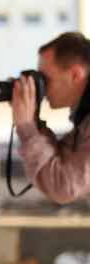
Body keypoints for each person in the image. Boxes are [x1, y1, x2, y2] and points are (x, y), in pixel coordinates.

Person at [14, 32, 90, 203]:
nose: (42, 88)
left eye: (46, 80)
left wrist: (27, 128)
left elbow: (64, 186)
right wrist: (33, 122)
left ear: (76, 75)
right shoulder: (84, 118)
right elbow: (61, 160)